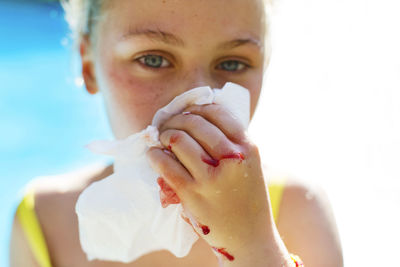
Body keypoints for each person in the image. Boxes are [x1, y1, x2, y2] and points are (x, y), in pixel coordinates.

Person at [9, 0, 343, 266]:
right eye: (153, 59)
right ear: (88, 65)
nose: (195, 100)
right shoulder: (43, 221)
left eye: (232, 64)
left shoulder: (297, 214)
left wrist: (252, 246)